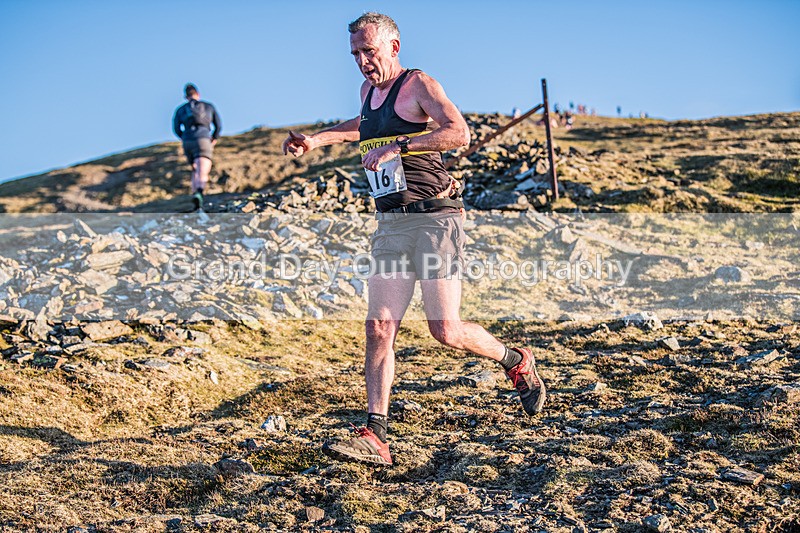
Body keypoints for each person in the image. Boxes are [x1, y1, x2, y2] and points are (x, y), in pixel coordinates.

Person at [281, 12, 546, 467]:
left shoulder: (417, 83)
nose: (363, 62)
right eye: (356, 55)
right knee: (379, 325)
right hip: (391, 222)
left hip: (435, 218)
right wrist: (317, 140)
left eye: (370, 51)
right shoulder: (368, 92)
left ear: (394, 47)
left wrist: (400, 146)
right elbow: (362, 127)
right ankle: (375, 433)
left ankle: (514, 360)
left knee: (446, 330)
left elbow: (458, 132)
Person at [172, 83, 221, 211]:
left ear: (186, 96)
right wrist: (214, 138)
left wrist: (184, 137)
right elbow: (218, 126)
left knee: (194, 168)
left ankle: (195, 196)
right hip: (203, 138)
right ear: (197, 94)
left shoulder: (180, 110)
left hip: (188, 140)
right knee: (202, 168)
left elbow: (176, 128)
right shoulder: (208, 106)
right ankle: (199, 192)